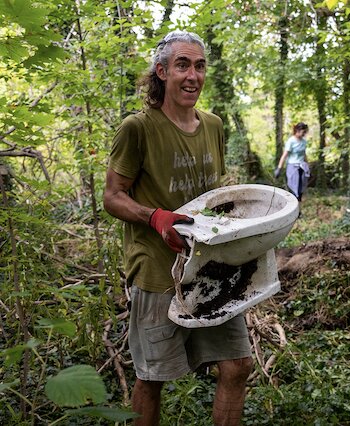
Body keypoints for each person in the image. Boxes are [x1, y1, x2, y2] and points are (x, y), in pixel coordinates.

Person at [103, 30, 253, 426]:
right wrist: (155, 216)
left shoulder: (214, 125)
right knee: (152, 378)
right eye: (183, 65)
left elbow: (212, 195)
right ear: (162, 71)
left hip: (211, 266)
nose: (193, 75)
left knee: (237, 365)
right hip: (158, 271)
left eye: (200, 66)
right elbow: (112, 196)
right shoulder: (138, 128)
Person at [274, 122, 310, 201]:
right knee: (293, 188)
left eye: (305, 132)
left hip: (302, 167)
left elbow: (304, 154)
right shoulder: (291, 141)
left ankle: (298, 209)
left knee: (300, 190)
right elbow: (284, 155)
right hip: (293, 167)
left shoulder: (304, 141)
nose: (304, 134)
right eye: (303, 132)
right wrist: (279, 168)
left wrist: (307, 165)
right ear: (297, 130)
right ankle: (293, 208)